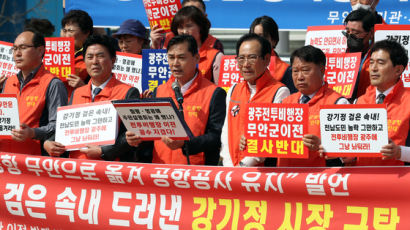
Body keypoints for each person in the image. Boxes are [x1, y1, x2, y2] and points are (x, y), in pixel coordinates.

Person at [126, 35, 226, 165]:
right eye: (171, 57)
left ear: (196, 58)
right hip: (160, 170)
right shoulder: (159, 91)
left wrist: (186, 144)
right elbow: (153, 133)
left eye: (181, 57)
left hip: (197, 172)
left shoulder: (214, 93)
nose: (175, 63)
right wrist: (138, 138)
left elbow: (217, 136)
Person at [43, 35, 140, 161]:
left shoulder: (128, 92)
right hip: (76, 168)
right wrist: (48, 142)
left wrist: (103, 151)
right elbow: (66, 128)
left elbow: (131, 137)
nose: (94, 61)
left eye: (100, 56)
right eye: (89, 57)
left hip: (110, 170)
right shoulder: (77, 93)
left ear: (113, 60)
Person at [220, 33, 290, 167]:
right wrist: (228, 165)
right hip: (231, 170)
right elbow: (226, 131)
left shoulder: (280, 92)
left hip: (260, 174)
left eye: (252, 58)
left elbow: (272, 137)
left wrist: (243, 166)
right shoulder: (234, 89)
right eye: (241, 58)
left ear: (267, 59)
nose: (246, 64)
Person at [278, 45, 349, 167]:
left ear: (322, 70)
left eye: (305, 70)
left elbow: (349, 151)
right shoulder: (285, 103)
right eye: (295, 71)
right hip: (285, 179)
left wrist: (323, 145)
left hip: (319, 180)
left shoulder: (338, 103)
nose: (299, 77)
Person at [0, 29, 68, 155]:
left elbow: (59, 125)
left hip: (33, 162)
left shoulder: (53, 84)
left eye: (23, 47)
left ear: (40, 50)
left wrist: (32, 133)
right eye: (14, 49)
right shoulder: (8, 82)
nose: (17, 53)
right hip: (6, 161)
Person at [354, 40, 410, 166]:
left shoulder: (408, 100)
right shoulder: (360, 101)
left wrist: (400, 152)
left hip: (399, 180)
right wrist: (346, 157)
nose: (373, 68)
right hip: (361, 179)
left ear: (398, 70)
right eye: (371, 62)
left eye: (380, 63)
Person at [151, 6, 223, 84]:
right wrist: (155, 46)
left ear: (201, 27)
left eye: (189, 26)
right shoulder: (168, 51)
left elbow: (219, 90)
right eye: (180, 27)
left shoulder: (215, 56)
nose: (184, 31)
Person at [150, 0, 224, 53]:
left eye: (196, 12)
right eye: (187, 11)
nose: (184, 31)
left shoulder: (214, 43)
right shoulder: (165, 39)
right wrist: (155, 46)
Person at [249, 15, 297, 94]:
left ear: (274, 40)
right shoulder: (241, 66)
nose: (258, 41)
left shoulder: (286, 71)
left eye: (263, 37)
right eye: (254, 37)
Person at [343, 8, 377, 101]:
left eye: (356, 33)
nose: (350, 36)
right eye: (347, 32)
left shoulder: (378, 58)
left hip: (367, 106)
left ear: (371, 33)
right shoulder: (341, 55)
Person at [61, 9, 94, 99]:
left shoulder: (95, 57)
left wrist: (83, 87)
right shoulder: (54, 55)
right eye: (65, 30)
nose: (66, 35)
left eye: (70, 31)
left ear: (86, 33)